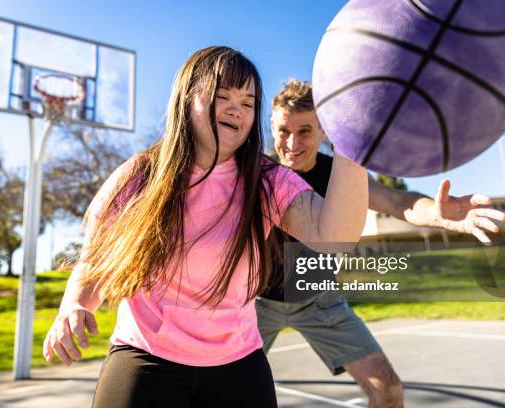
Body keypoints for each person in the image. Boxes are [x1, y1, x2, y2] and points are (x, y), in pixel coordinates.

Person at [42, 48, 368, 408]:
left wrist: (353, 143)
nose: (236, 110)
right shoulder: (139, 176)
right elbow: (95, 261)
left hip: (239, 363)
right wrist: (74, 305)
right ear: (186, 100)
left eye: (247, 103)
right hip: (147, 356)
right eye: (221, 97)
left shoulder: (268, 180)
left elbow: (333, 234)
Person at [257, 79, 505, 408]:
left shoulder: (341, 174)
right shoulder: (260, 173)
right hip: (256, 303)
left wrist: (439, 214)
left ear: (324, 131)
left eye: (304, 131)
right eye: (282, 131)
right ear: (272, 127)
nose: (291, 143)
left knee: (388, 391)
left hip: (319, 299)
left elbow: (394, 200)